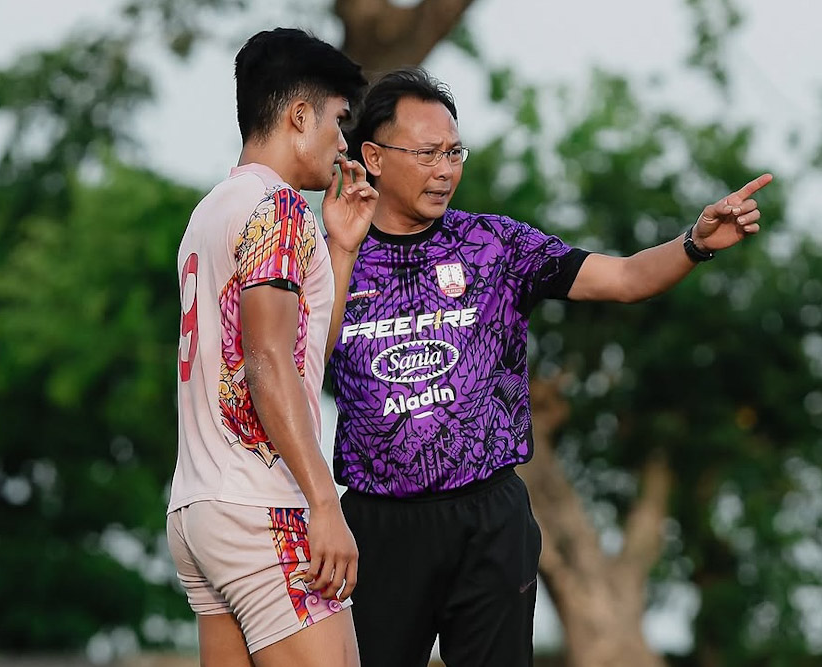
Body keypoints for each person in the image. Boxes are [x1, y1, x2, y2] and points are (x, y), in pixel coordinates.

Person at [328, 67, 772, 667]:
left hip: (488, 517)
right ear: (374, 157)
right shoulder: (325, 254)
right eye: (428, 154)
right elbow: (278, 365)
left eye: (455, 152)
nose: (446, 170)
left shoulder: (495, 245)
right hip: (375, 527)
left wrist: (694, 243)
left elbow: (622, 277)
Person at [166, 28, 377, 667]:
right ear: (299, 115)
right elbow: (265, 361)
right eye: (339, 121)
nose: (343, 142)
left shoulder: (211, 210)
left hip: (197, 508)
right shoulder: (278, 208)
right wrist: (323, 501)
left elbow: (299, 350)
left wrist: (340, 247)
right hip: (263, 502)